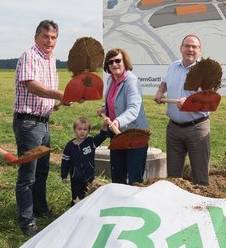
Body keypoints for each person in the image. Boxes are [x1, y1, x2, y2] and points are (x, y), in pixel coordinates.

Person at [13, 20, 69, 237]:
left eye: (54, 37)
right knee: (28, 174)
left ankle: (40, 209)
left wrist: (61, 101)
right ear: (36, 37)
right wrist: (58, 94)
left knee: (42, 170)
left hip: (43, 122)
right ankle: (27, 221)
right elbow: (31, 85)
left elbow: (50, 93)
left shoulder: (51, 59)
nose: (50, 41)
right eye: (46, 36)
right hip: (28, 123)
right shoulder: (30, 56)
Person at [153, 35, 211, 185]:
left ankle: (201, 206)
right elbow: (164, 82)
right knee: (173, 178)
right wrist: (160, 92)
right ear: (181, 48)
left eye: (194, 47)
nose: (190, 49)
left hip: (197, 129)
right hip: (174, 129)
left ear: (200, 51)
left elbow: (210, 101)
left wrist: (190, 102)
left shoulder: (206, 71)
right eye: (187, 46)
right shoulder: (173, 66)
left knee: (200, 178)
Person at [98, 48, 149, 184]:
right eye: (110, 62)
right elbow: (112, 99)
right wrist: (105, 107)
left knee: (135, 180)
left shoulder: (132, 81)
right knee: (118, 176)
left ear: (124, 62)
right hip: (117, 135)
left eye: (118, 61)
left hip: (135, 135)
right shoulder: (110, 80)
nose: (114, 64)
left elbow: (134, 108)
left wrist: (118, 121)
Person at [61, 116, 108, 206]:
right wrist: (64, 175)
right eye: (79, 129)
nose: (82, 131)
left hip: (89, 177)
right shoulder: (70, 146)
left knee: (89, 196)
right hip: (76, 178)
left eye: (85, 129)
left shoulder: (91, 142)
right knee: (77, 198)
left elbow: (101, 137)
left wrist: (104, 127)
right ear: (75, 130)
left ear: (88, 131)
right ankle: (75, 213)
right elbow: (65, 162)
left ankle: (88, 213)